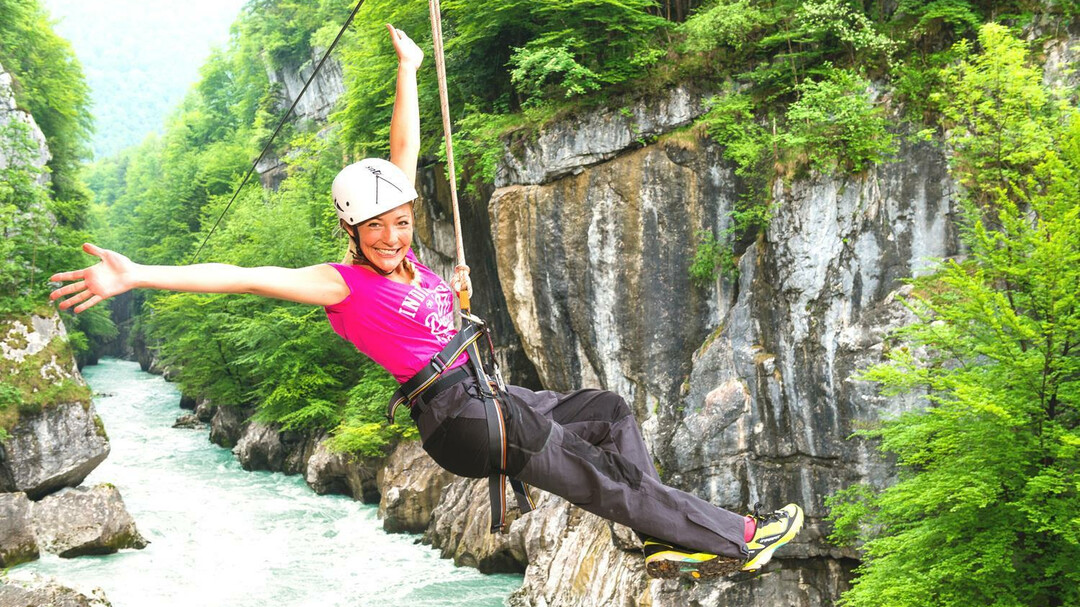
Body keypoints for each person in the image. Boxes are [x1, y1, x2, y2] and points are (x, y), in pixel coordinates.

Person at [49, 24, 802, 581]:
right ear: (351, 229)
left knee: (606, 412)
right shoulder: (343, 284)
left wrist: (409, 66)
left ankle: (650, 530)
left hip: (490, 397)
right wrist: (139, 273)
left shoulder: (409, 251)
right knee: (594, 472)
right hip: (461, 418)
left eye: (400, 221)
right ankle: (736, 534)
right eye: (374, 227)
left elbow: (401, 153)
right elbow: (243, 275)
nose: (390, 235)